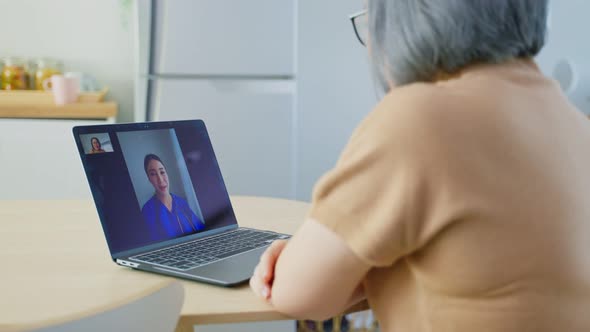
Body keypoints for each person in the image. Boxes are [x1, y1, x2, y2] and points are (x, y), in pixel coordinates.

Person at [250, 1, 590, 331]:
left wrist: (292, 258)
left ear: (407, 19)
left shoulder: (418, 118)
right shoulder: (574, 122)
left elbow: (300, 295)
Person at [141, 153, 205, 240]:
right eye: (153, 174)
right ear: (149, 179)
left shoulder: (181, 203)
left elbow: (201, 230)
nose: (160, 179)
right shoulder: (148, 211)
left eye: (162, 172)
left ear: (167, 173)